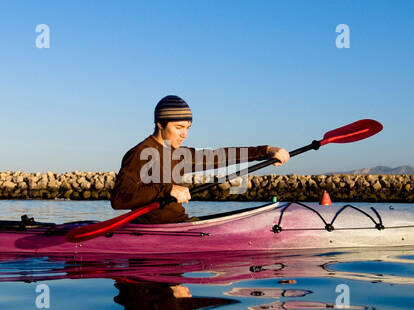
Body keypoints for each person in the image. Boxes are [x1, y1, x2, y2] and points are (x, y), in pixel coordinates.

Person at [110, 95, 289, 223]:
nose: (185, 134)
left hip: (181, 226)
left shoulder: (178, 154)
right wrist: (167, 190)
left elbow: (220, 156)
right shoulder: (140, 153)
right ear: (160, 124)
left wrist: (266, 151)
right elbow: (119, 199)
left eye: (188, 127)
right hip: (156, 233)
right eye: (179, 127)